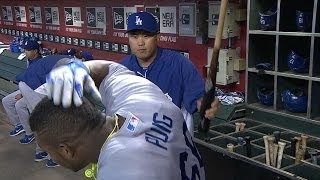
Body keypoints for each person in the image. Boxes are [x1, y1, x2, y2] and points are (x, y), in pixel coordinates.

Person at [29, 60, 205, 179]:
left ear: (66, 150)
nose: (50, 156)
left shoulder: (121, 169)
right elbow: (105, 69)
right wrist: (70, 65)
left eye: (48, 151)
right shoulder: (138, 95)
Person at [119, 11, 219, 136]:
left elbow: (198, 100)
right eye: (134, 36)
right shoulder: (122, 69)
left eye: (146, 36)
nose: (140, 43)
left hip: (172, 142)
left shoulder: (179, 64)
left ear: (157, 36)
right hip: (135, 141)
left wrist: (207, 105)